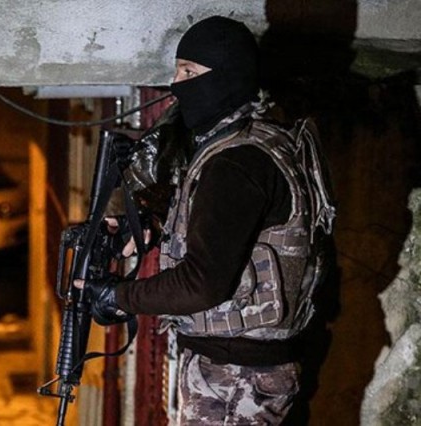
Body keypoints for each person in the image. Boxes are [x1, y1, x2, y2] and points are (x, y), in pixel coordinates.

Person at [76, 16, 336, 425]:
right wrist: (154, 224)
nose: (177, 84)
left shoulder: (237, 162)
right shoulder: (250, 143)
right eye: (178, 71)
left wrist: (118, 297)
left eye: (189, 72)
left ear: (227, 76)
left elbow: (202, 282)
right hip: (238, 370)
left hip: (237, 378)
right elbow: (227, 229)